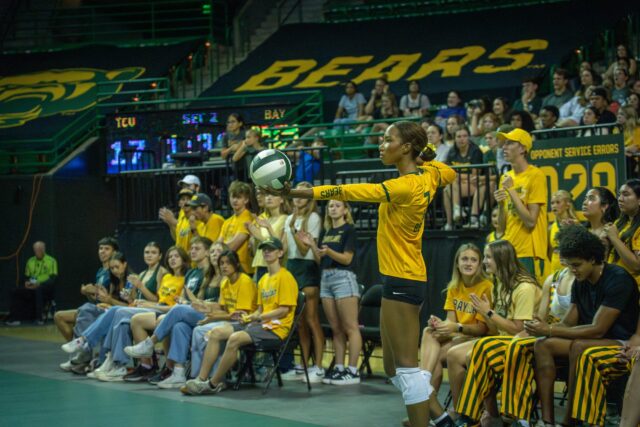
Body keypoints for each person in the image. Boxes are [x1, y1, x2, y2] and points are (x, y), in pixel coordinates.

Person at [265, 121, 456, 427]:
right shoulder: (429, 175)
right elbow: (450, 171)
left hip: (404, 280)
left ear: (405, 148)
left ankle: (423, 422)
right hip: (400, 278)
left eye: (387, 139)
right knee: (394, 368)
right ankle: (443, 419)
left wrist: (295, 190)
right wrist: (427, 156)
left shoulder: (403, 185)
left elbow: (345, 190)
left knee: (407, 368)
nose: (381, 145)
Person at [526, 225, 639, 427]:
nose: (573, 270)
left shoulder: (618, 279)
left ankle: (571, 420)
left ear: (593, 259)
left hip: (620, 340)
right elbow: (569, 321)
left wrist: (551, 330)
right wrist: (542, 328)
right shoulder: (581, 280)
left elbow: (598, 329)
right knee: (542, 344)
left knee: (578, 345)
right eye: (570, 266)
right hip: (590, 338)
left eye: (577, 265)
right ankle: (547, 421)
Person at [181, 237, 297, 396]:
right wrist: (248, 317)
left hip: (277, 329)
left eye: (271, 249)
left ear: (280, 252)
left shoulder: (286, 277)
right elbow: (259, 310)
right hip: (260, 324)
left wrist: (257, 318)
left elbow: (283, 311)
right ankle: (201, 379)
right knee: (216, 333)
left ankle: (213, 384)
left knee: (235, 338)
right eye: (265, 249)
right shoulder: (263, 279)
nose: (267, 252)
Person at [452, 240, 541, 427]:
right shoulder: (499, 284)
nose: (484, 262)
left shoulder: (523, 287)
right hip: (504, 339)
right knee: (464, 353)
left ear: (501, 259)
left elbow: (519, 329)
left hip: (525, 342)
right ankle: (485, 414)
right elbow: (496, 329)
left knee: (474, 354)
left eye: (488, 257)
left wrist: (488, 313)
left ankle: (474, 414)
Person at [412, 244, 492, 427]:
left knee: (439, 355)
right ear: (457, 263)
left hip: (477, 338)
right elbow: (451, 322)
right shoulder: (454, 287)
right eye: (464, 259)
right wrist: (440, 325)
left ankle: (428, 405)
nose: (469, 263)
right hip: (460, 335)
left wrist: (455, 327)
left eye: (473, 260)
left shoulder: (486, 287)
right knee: (428, 331)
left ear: (480, 264)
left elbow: (482, 329)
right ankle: (425, 391)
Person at [124, 236, 212, 388]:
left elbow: (197, 301)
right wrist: (185, 302)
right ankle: (177, 372)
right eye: (191, 248)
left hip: (206, 312)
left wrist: (186, 303)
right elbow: (183, 300)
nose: (192, 251)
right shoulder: (192, 273)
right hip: (189, 311)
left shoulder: (209, 271)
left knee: (174, 312)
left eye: (197, 248)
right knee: (178, 326)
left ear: (207, 252)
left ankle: (150, 343)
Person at [299, 200, 362, 385]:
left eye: (337, 205)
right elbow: (321, 258)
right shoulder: (326, 231)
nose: (332, 208)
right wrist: (312, 245)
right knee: (336, 329)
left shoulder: (349, 230)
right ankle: (339, 368)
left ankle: (353, 370)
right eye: (330, 206)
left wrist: (329, 252)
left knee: (351, 326)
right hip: (326, 278)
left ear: (345, 210)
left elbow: (347, 258)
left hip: (344, 277)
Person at [181, 249, 258, 394]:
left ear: (236, 264)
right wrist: (205, 306)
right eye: (221, 263)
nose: (224, 266)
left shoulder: (245, 281)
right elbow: (223, 308)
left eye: (228, 263)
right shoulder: (225, 282)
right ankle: (197, 377)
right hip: (231, 321)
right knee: (198, 330)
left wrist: (214, 316)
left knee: (214, 333)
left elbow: (241, 315)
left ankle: (209, 378)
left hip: (246, 322)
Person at [281, 181, 325, 381]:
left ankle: (318, 365)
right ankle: (304, 363)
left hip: (307, 268)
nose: (298, 198)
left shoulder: (313, 217)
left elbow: (305, 249)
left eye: (302, 194)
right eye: (296, 194)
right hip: (291, 267)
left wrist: (291, 230)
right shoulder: (289, 218)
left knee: (311, 320)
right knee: (299, 324)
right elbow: (286, 248)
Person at [54, 237, 118, 372]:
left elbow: (110, 297)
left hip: (105, 310)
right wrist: (87, 292)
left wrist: (93, 291)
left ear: (114, 252)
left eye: (107, 249)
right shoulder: (100, 271)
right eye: (101, 249)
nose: (102, 252)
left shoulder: (114, 271)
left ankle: (84, 353)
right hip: (95, 308)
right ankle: (79, 353)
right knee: (59, 316)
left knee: (84, 312)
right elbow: (95, 299)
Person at [494, 128, 548, 282]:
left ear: (523, 148)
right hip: (509, 249)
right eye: (504, 143)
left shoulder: (536, 175)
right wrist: (499, 205)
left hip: (529, 252)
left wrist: (511, 190)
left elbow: (530, 221)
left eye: (510, 143)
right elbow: (501, 228)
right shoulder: (506, 177)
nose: (504, 147)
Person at [6, 241, 58, 325]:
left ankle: (39, 319)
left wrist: (39, 284)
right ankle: (14, 319)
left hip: (45, 288)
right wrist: (27, 283)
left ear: (43, 250)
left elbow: (52, 279)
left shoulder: (51, 261)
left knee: (39, 289)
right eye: (36, 250)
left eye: (39, 249)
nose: (37, 252)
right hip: (32, 286)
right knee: (15, 290)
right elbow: (26, 276)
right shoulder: (30, 261)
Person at [443, 127, 483, 230]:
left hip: (474, 185)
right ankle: (451, 222)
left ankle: (454, 217)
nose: (462, 139)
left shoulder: (475, 151)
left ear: (469, 137)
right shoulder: (452, 152)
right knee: (447, 189)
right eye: (459, 136)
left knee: (450, 185)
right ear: (454, 138)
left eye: (465, 136)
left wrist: (457, 176)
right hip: (458, 185)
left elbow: (475, 176)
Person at [246, 193, 289, 282]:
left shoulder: (286, 219)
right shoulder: (264, 219)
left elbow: (280, 246)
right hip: (260, 264)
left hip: (275, 265)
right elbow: (257, 248)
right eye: (267, 195)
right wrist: (254, 236)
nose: (269, 198)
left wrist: (268, 228)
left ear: (282, 200)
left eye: (273, 195)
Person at [606, 179, 640, 285]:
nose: (620, 199)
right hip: (614, 284)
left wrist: (615, 239)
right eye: (619, 194)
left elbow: (637, 265)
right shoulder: (620, 223)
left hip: (632, 290)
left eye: (626, 194)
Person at [218, 180, 254, 276]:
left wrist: (219, 248)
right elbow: (218, 245)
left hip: (244, 270)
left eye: (238, 197)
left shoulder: (248, 218)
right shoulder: (227, 221)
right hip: (228, 268)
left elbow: (232, 246)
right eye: (233, 197)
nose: (235, 200)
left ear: (246, 200)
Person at [158, 188, 201, 252]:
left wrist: (173, 221)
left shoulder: (198, 218)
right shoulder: (182, 220)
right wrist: (170, 223)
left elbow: (201, 242)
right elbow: (176, 238)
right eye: (183, 199)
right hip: (181, 259)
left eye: (189, 199)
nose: (186, 202)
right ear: (179, 204)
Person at [548, 190, 579, 273]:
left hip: (569, 266)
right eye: (552, 203)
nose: (554, 206)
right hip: (554, 266)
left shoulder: (575, 225)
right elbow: (550, 252)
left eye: (558, 202)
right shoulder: (551, 227)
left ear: (567, 205)